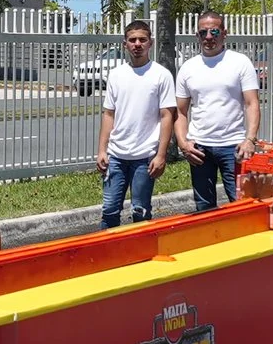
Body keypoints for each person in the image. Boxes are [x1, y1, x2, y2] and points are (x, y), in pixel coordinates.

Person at [175, 13, 261, 211]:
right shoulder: (188, 68)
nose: (208, 37)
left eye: (214, 31)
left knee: (242, 205)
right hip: (199, 147)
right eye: (203, 32)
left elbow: (252, 103)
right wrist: (183, 144)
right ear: (197, 35)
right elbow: (180, 111)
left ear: (224, 33)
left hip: (234, 146)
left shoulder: (240, 62)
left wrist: (250, 139)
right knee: (204, 208)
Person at [96, 19, 175, 230]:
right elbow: (109, 114)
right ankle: (108, 249)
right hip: (116, 157)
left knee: (140, 212)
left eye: (142, 39)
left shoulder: (161, 75)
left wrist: (161, 155)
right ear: (125, 44)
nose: (137, 44)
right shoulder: (116, 75)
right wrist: (102, 150)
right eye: (132, 40)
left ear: (151, 43)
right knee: (109, 210)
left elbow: (167, 116)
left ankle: (141, 250)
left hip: (144, 157)